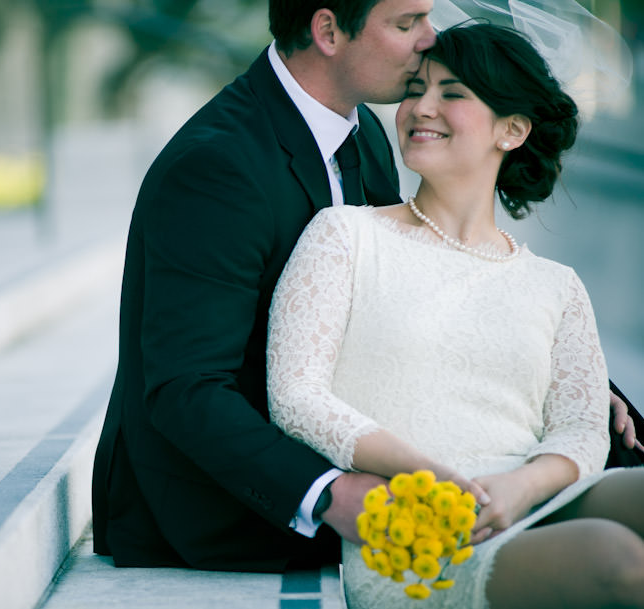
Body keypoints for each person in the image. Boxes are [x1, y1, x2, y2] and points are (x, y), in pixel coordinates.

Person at [91, 0, 640, 573]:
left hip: (400, 465)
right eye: (407, 24)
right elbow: (186, 388)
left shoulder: (366, 136)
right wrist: (328, 492)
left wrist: (557, 374)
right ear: (328, 30)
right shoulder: (219, 164)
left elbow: (413, 284)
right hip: (229, 503)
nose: (430, 39)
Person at [267, 22, 644, 608]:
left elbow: (581, 429)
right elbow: (296, 395)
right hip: (422, 523)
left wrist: (520, 488)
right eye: (416, 88)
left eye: (453, 93)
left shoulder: (557, 285)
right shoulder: (346, 236)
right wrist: (427, 473)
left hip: (529, 495)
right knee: (612, 558)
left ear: (512, 129)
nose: (421, 107)